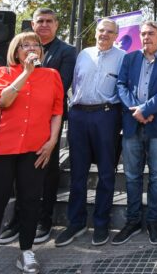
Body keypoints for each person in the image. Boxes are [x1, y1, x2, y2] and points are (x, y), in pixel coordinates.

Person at [0, 32, 63, 274]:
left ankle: (26, 252)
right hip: (2, 146)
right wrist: (26, 73)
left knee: (31, 201)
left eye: (36, 45)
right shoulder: (2, 73)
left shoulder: (52, 75)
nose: (32, 48)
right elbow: (2, 101)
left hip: (35, 148)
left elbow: (57, 111)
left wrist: (53, 140)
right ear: (15, 50)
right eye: (26, 45)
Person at [0, 8, 76, 246]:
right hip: (17, 119)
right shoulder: (19, 47)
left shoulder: (67, 51)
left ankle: (45, 219)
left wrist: (34, 70)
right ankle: (17, 219)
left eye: (49, 21)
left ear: (57, 24)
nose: (44, 25)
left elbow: (60, 86)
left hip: (48, 120)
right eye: (39, 21)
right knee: (18, 172)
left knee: (48, 171)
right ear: (32, 24)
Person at [54, 19, 125, 247]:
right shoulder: (83, 54)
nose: (104, 34)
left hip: (106, 116)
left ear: (116, 35)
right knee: (78, 172)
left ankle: (101, 223)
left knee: (106, 172)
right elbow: (73, 83)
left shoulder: (123, 57)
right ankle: (76, 222)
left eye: (109, 32)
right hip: (79, 116)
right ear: (95, 32)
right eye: (101, 30)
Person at [113, 21, 157, 246]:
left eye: (151, 34)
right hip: (132, 125)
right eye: (143, 34)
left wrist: (146, 109)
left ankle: (153, 221)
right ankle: (132, 222)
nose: (146, 37)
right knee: (132, 176)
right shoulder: (129, 58)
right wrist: (137, 111)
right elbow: (121, 85)